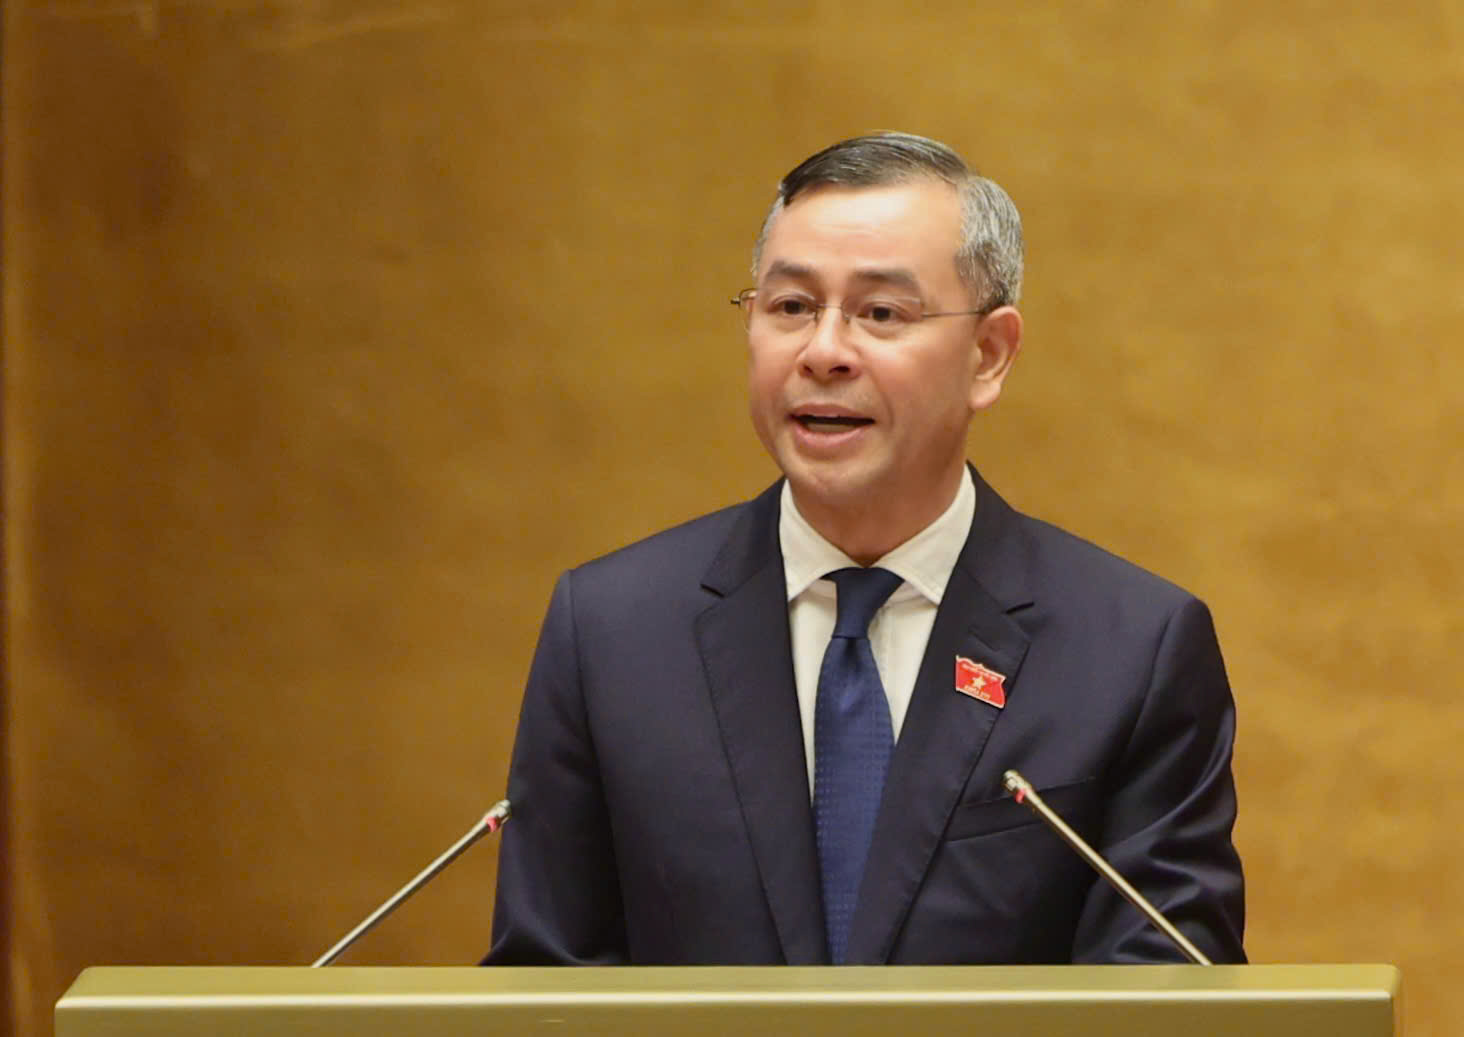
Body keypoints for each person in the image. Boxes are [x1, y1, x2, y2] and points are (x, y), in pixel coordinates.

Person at [485, 132, 1245, 966]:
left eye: (881, 313)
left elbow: (1167, 993)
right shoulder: (611, 633)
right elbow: (545, 989)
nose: (823, 351)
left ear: (988, 355)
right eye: (790, 307)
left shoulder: (1131, 650)